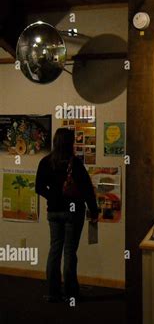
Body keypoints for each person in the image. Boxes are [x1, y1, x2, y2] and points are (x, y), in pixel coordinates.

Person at [36, 128, 99, 302]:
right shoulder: (75, 163)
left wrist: (53, 196)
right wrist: (94, 211)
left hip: (53, 212)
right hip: (73, 212)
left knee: (54, 250)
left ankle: (52, 293)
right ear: (69, 143)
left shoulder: (45, 161)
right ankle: (70, 293)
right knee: (70, 252)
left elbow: (39, 187)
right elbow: (87, 190)